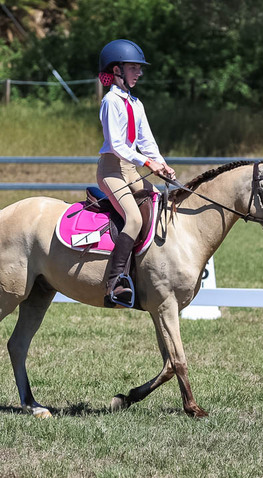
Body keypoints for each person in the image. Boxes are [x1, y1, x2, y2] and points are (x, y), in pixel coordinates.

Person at [97, 39, 175, 308]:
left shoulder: (135, 102)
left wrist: (161, 163)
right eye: (133, 67)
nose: (139, 73)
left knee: (162, 207)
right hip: (112, 170)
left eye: (139, 68)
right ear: (116, 70)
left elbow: (147, 140)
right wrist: (147, 163)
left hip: (132, 171)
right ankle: (114, 283)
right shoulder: (111, 102)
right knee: (132, 219)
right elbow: (117, 144)